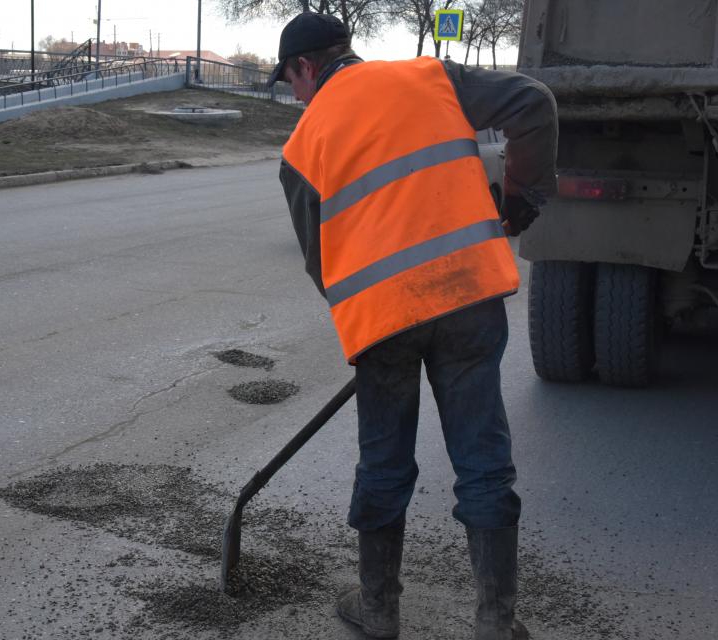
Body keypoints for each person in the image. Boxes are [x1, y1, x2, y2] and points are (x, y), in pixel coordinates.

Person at [268, 12, 558, 640]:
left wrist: (374, 317)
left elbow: (323, 266)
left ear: (307, 66)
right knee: (484, 460)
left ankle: (378, 610)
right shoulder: (431, 77)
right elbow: (533, 103)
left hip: (386, 325)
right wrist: (520, 199)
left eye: (289, 81)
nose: (293, 96)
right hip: (468, 300)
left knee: (384, 463)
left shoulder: (301, 148)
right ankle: (494, 623)